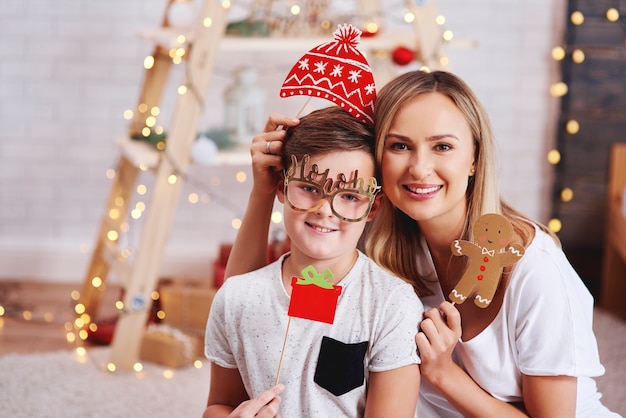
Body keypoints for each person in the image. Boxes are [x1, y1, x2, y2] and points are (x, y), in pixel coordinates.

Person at [224, 70, 620, 417]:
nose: (419, 167)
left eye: (442, 146)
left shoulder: (535, 271)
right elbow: (246, 305)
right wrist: (263, 191)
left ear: (474, 160)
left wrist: (443, 374)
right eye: (400, 145)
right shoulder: (382, 238)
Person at [203, 106, 423, 418]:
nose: (325, 209)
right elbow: (219, 405)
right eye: (309, 188)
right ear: (282, 187)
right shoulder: (237, 297)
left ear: (372, 208)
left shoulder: (392, 303)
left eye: (349, 196)